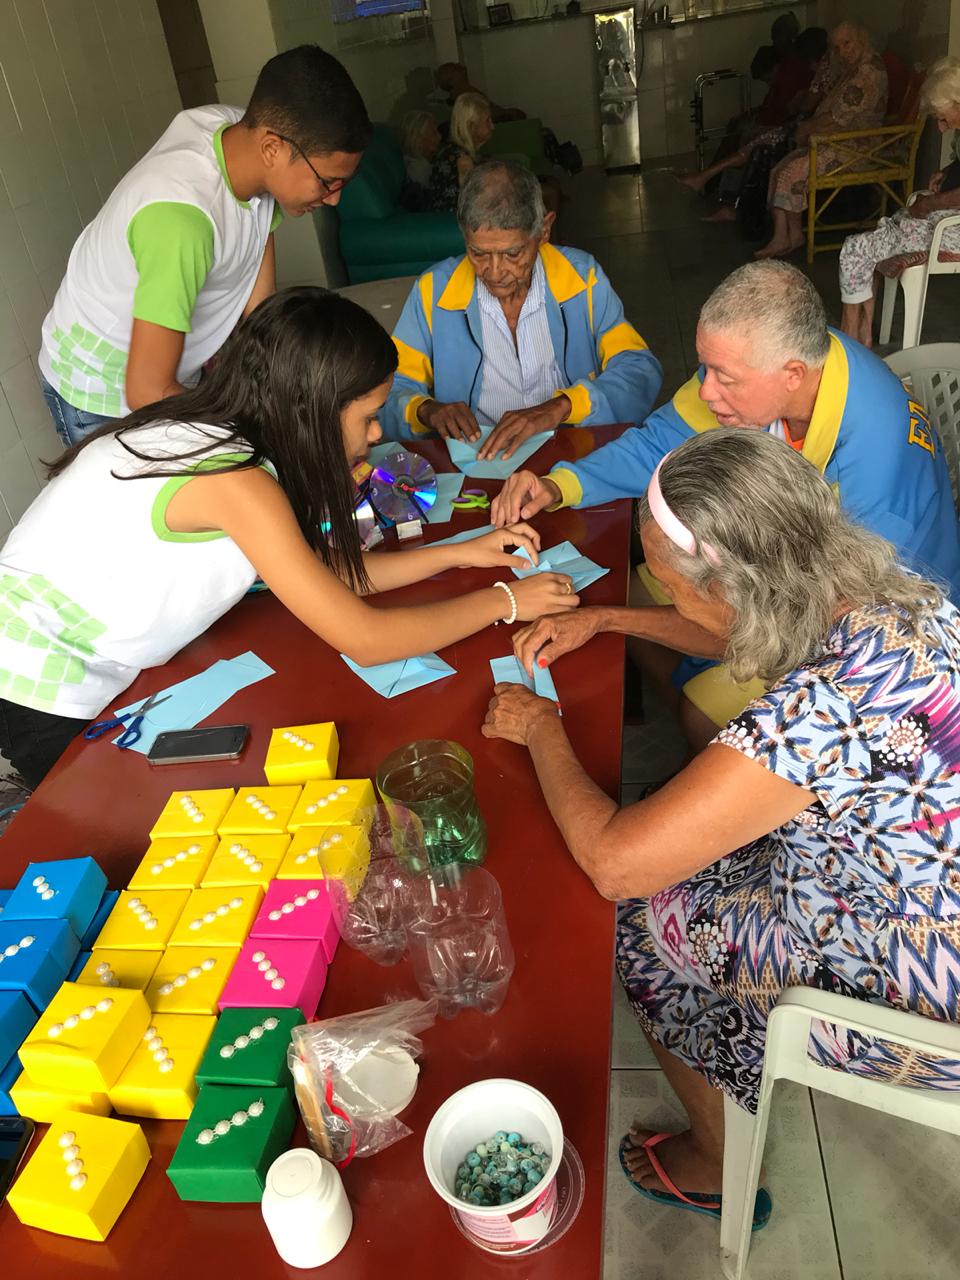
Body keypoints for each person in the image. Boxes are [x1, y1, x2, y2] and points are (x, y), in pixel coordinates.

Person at [483, 428, 960, 1225]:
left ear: (736, 588)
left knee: (639, 915)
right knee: (691, 845)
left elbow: (614, 862)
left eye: (670, 588)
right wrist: (608, 620)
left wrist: (540, 729)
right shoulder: (893, 593)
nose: (667, 600)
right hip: (921, 886)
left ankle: (714, 1155)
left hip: (922, 993)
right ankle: (738, 1036)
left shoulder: (821, 713)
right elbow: (744, 633)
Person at [0, 290, 578, 789]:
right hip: (39, 682)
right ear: (313, 410)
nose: (377, 433)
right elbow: (367, 639)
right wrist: (506, 601)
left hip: (77, 665)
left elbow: (329, 573)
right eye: (369, 416)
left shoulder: (222, 437)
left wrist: (463, 552)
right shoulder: (236, 481)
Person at [490, 261, 960, 747]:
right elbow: (662, 443)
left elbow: (831, 624)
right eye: (706, 367)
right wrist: (560, 484)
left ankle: (712, 738)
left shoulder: (874, 475)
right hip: (789, 571)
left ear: (792, 374)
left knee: (702, 711)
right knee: (638, 589)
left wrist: (622, 623)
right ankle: (697, 701)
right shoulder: (779, 360)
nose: (706, 390)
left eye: (724, 377)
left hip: (884, 622)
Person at [39, 45, 370, 449]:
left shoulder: (240, 136)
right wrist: (253, 432)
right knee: (181, 480)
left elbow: (261, 314)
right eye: (327, 181)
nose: (334, 199)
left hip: (171, 364)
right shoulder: (181, 221)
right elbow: (147, 389)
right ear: (272, 149)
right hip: (102, 390)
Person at [382, 160, 661, 458]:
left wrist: (562, 406)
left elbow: (639, 371)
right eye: (478, 253)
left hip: (572, 452)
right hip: (480, 459)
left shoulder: (581, 279)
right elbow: (387, 393)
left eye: (512, 253)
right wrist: (425, 410)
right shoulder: (433, 292)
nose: (494, 272)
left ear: (544, 230)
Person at [840, 56, 960, 347]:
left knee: (855, 249)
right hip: (946, 219)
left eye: (944, 118)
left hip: (952, 230)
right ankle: (861, 333)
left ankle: (852, 334)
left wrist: (931, 204)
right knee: (880, 234)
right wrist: (947, 172)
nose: (941, 128)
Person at [756, 23, 887, 259]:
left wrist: (806, 129)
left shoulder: (867, 73)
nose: (842, 51)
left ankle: (787, 237)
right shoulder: (853, 68)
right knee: (779, 169)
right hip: (836, 141)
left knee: (792, 171)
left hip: (858, 147)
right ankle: (787, 235)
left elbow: (836, 120)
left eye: (847, 43)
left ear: (861, 39)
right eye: (837, 47)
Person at [679, 28, 828, 223]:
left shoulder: (814, 73)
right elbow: (787, 105)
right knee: (745, 137)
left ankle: (716, 188)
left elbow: (797, 107)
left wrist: (794, 105)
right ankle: (713, 184)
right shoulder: (801, 70)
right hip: (798, 127)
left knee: (751, 143)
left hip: (802, 129)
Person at [430, 93, 494, 213]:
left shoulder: (450, 147)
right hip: (451, 219)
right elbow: (473, 200)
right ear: (471, 127)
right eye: (487, 121)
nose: (492, 126)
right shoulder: (463, 159)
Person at [436, 62, 525, 124]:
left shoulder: (469, 91)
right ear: (451, 80)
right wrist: (507, 113)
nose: (460, 66)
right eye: (455, 68)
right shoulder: (464, 99)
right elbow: (485, 115)